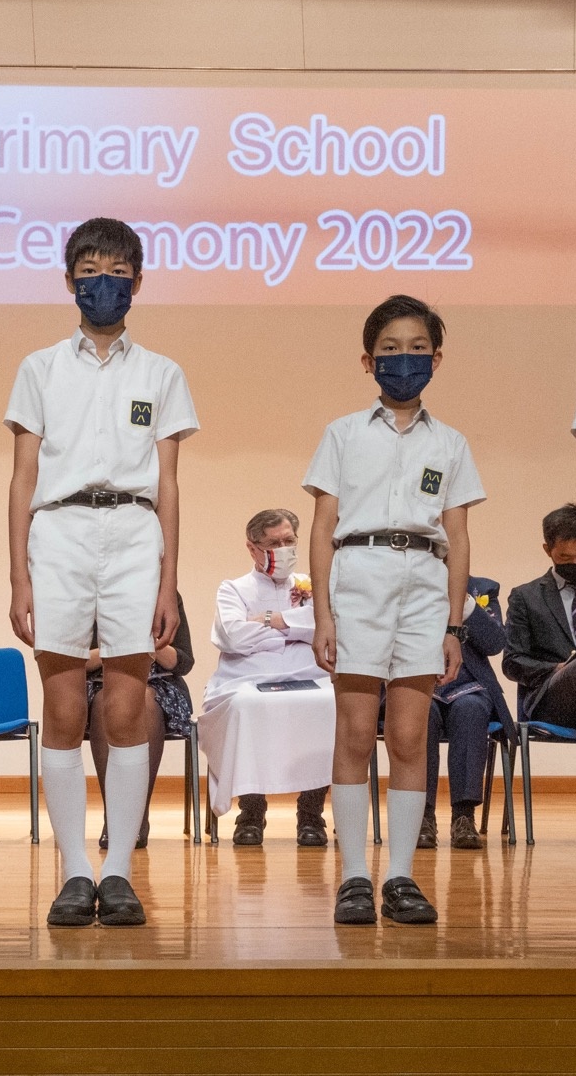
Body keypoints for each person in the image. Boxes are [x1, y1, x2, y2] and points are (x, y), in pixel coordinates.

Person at [7, 216, 199, 929]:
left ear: (138, 282)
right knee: (62, 710)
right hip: (58, 532)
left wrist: (167, 580)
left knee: (125, 709)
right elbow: (22, 477)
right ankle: (74, 870)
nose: (103, 283)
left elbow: (169, 484)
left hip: (133, 535)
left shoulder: (162, 373)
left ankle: (117, 868)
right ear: (69, 281)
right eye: (89, 271)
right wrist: (19, 577)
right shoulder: (39, 367)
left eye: (117, 272)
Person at [305, 293, 483, 927]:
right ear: (367, 360)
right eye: (389, 349)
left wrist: (454, 624)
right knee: (355, 733)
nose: (403, 359)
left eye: (416, 349)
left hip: (424, 585)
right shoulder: (343, 433)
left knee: (410, 736)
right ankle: (354, 875)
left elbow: (458, 537)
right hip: (359, 577)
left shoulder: (451, 442)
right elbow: (322, 528)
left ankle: (401, 876)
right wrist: (323, 615)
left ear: (436, 359)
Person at [201, 509, 331, 849]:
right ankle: (251, 812)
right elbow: (233, 636)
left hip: (308, 676)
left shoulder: (311, 585)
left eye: (289, 541)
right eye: (274, 544)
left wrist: (271, 620)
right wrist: (295, 630)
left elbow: (328, 626)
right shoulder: (233, 589)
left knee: (329, 703)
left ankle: (311, 813)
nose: (283, 549)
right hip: (246, 679)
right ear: (252, 548)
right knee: (247, 705)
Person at [503, 503, 576, 851]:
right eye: (565, 558)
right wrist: (556, 669)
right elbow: (512, 662)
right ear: (547, 550)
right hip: (550, 700)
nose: (575, 564)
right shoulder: (525, 597)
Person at [87, 593, 191, 850]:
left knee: (143, 700)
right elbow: (78, 660)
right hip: (103, 680)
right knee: (104, 701)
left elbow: (184, 661)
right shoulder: (90, 593)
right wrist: (116, 647)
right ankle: (113, 816)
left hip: (158, 683)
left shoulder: (166, 596)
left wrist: (147, 645)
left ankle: (138, 815)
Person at [419, 575, 513, 850]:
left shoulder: (484, 589)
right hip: (420, 680)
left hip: (469, 684)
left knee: (470, 710)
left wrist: (466, 603)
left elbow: (494, 643)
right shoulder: (410, 580)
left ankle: (464, 816)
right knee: (422, 714)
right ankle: (422, 816)